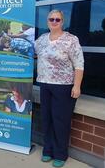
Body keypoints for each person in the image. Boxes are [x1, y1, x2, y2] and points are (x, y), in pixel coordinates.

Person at [35, 9, 84, 167]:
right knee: (47, 119)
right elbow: (34, 54)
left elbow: (79, 64)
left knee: (60, 120)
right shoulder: (41, 39)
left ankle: (60, 154)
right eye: (51, 19)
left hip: (64, 86)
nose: (54, 22)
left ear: (62, 22)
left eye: (57, 19)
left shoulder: (71, 40)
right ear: (47, 22)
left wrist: (77, 86)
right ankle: (48, 150)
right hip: (45, 84)